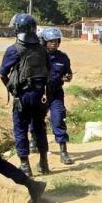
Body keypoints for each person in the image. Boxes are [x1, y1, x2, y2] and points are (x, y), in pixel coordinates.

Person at [0, 13, 50, 177]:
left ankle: (25, 165)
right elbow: (48, 70)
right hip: (40, 95)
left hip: (23, 96)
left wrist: (12, 89)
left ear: (18, 30)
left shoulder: (14, 49)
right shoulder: (43, 49)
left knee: (20, 129)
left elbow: (2, 73)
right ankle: (44, 162)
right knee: (39, 127)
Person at [30, 27, 73, 165]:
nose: (54, 43)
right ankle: (33, 140)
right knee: (36, 120)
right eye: (51, 41)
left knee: (58, 118)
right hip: (39, 94)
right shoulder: (37, 56)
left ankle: (63, 151)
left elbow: (69, 74)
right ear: (44, 41)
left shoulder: (63, 58)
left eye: (56, 41)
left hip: (55, 95)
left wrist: (68, 77)